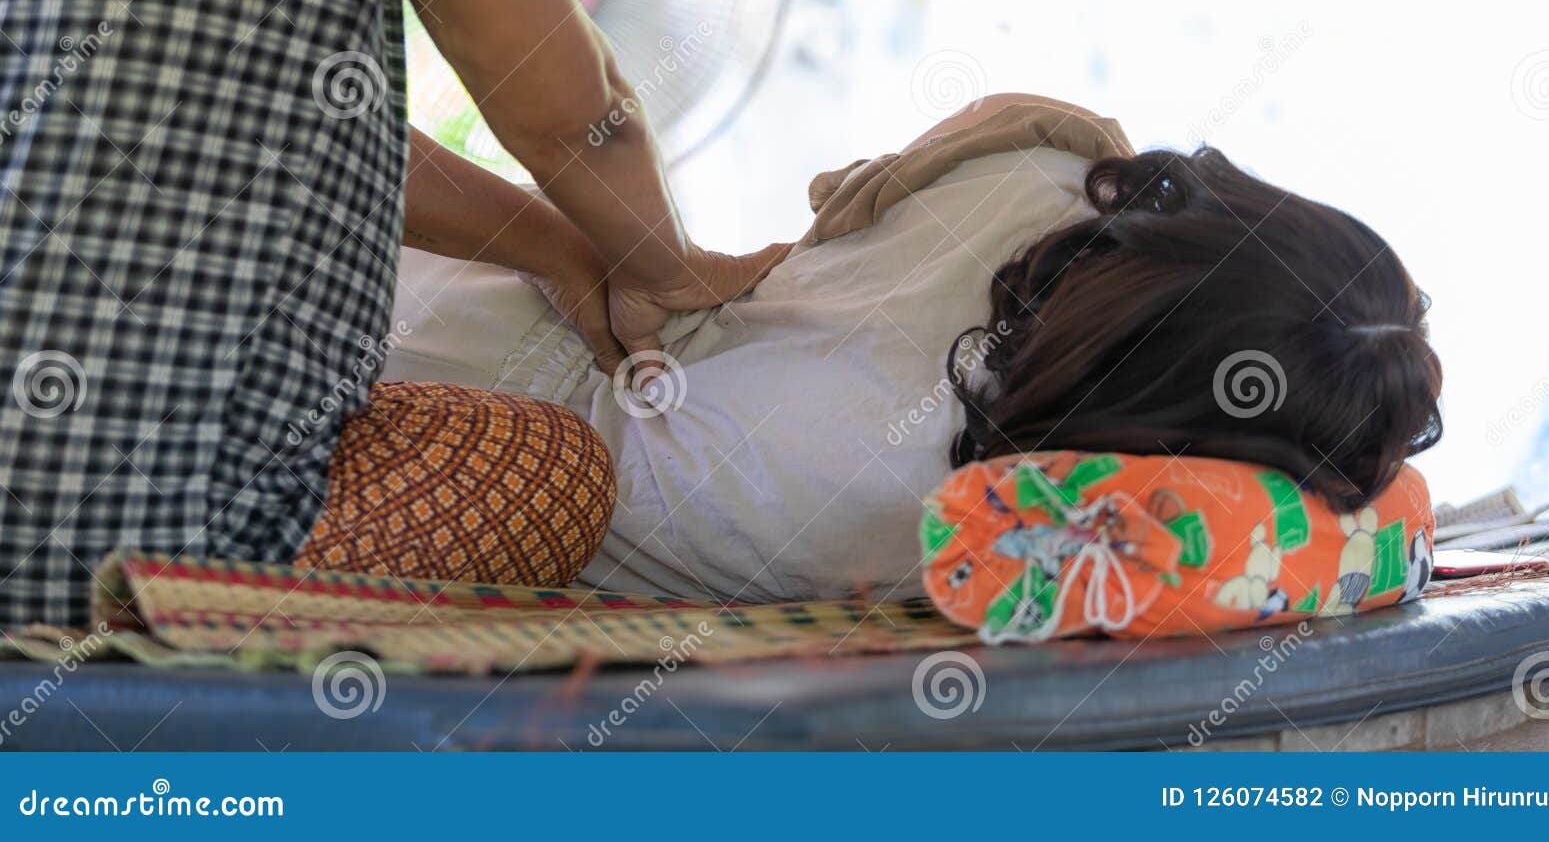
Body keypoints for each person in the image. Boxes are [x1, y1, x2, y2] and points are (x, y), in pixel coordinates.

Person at [0, 0, 778, 624]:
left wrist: (557, 246)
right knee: (547, 469)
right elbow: (569, 107)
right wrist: (662, 266)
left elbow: (275, 117)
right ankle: (150, 614)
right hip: (99, 539)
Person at [380, 93, 1445, 604]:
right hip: (412, 408)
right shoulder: (933, 512)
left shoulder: (1041, 177)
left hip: (418, 259)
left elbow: (1050, 122)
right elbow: (1356, 532)